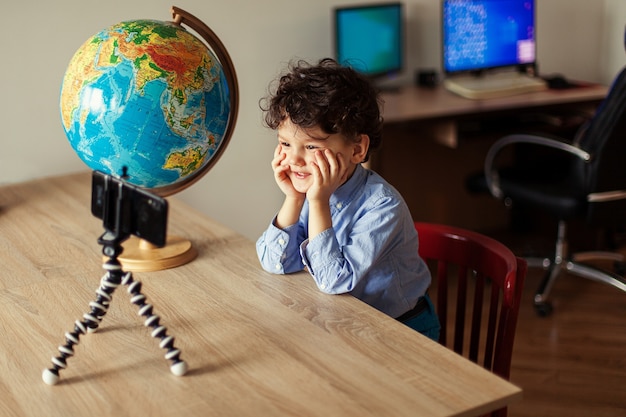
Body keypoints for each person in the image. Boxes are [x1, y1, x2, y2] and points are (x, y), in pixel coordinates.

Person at [256, 58, 440, 341]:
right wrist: (293, 199)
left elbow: (334, 281)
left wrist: (317, 202)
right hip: (347, 322)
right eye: (285, 143)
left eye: (311, 146)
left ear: (357, 149)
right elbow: (274, 262)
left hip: (402, 330)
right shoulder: (308, 192)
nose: (294, 159)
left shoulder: (382, 205)